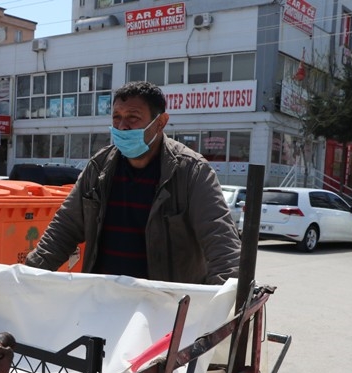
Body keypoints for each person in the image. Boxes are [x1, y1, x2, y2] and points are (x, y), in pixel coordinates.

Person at [25, 81, 240, 285]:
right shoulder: (99, 168)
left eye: (133, 118)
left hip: (164, 308)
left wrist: (218, 306)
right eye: (116, 117)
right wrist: (27, 277)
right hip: (104, 301)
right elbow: (63, 229)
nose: (122, 126)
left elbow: (222, 243)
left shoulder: (191, 171)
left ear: (161, 122)